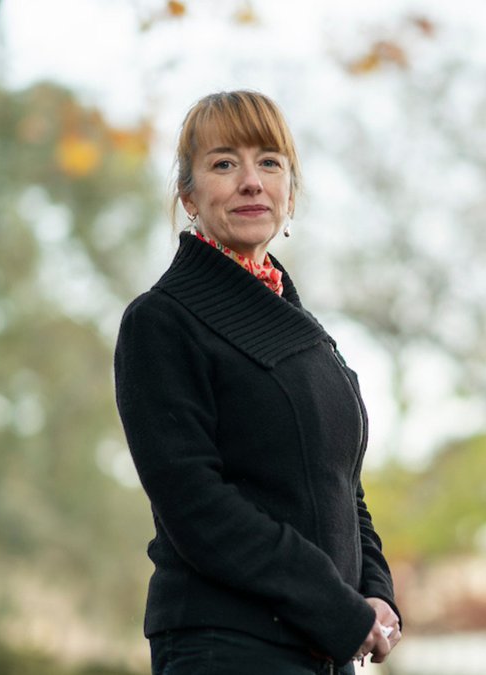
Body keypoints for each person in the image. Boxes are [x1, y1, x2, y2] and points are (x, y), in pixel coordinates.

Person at [114, 90, 401, 674]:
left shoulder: (309, 335)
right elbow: (196, 506)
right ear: (188, 195)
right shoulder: (162, 321)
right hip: (225, 645)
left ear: (290, 192)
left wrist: (375, 593)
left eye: (269, 162)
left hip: (322, 648)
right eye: (224, 163)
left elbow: (344, 488)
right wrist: (335, 605)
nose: (251, 182)